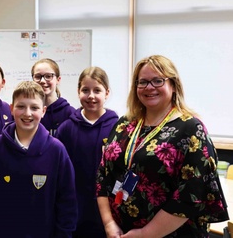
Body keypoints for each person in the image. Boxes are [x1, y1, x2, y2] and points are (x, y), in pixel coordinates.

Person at [96, 55, 229, 238]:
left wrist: (145, 234)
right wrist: (109, 223)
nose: (149, 87)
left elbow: (191, 194)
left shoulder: (191, 129)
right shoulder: (124, 125)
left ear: (173, 85)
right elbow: (103, 175)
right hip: (120, 233)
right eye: (142, 82)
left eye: (158, 81)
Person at [0, 81, 77, 238]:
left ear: (43, 111)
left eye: (34, 108)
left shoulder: (57, 150)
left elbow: (67, 200)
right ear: (11, 109)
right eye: (21, 106)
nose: (27, 113)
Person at [56, 66, 118, 238]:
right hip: (74, 209)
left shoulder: (118, 128)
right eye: (85, 90)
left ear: (106, 93)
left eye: (97, 90)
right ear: (78, 92)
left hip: (108, 212)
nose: (91, 96)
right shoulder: (66, 129)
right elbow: (58, 171)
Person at [32, 58, 75, 135]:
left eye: (48, 76)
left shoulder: (70, 113)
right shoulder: (28, 111)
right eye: (38, 76)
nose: (42, 81)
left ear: (58, 79)